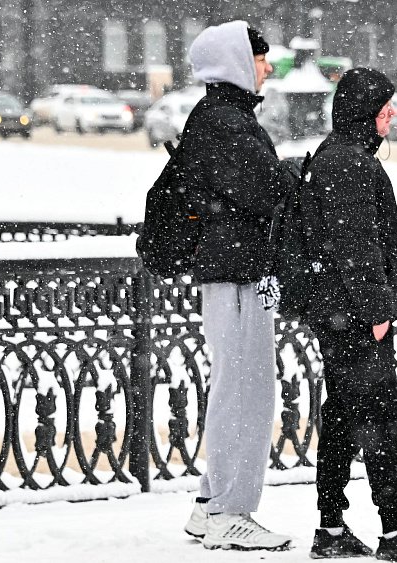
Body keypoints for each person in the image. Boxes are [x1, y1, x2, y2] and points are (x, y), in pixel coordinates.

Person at [301, 68, 397, 561]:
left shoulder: (340, 157)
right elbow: (357, 247)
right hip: (354, 317)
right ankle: (393, 530)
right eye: (384, 106)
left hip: (340, 314)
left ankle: (331, 528)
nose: (391, 113)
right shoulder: (347, 163)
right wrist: (376, 311)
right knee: (378, 417)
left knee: (345, 417)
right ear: (364, 111)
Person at [177, 20, 298, 551]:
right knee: (247, 391)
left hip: (238, 271)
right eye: (260, 58)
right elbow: (266, 191)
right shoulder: (227, 123)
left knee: (237, 385)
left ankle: (210, 503)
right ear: (235, 64)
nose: (268, 67)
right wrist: (301, 174)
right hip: (240, 272)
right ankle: (231, 510)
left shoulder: (218, 118)